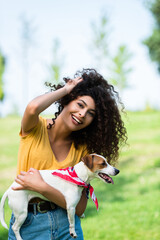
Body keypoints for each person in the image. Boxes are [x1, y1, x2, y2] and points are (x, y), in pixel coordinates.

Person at [8, 68, 127, 240]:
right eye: (80, 105)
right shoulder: (34, 128)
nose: (82, 114)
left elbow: (79, 209)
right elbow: (33, 108)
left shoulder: (84, 152)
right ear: (67, 100)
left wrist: (42, 187)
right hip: (28, 225)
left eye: (90, 113)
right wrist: (65, 90)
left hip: (67, 227)